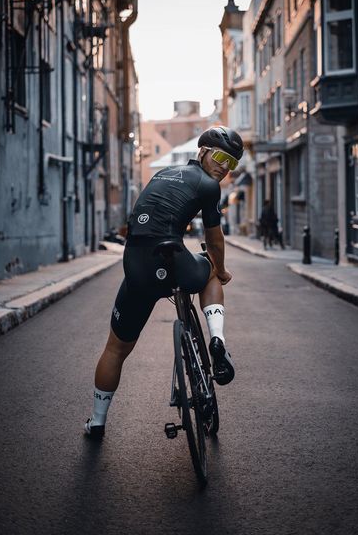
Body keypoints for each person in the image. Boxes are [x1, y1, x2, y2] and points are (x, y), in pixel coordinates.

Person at [85, 126, 244, 439]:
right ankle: (217, 340)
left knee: (115, 349)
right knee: (210, 268)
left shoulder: (160, 175)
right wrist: (221, 270)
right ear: (203, 151)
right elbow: (214, 238)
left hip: (136, 264)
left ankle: (96, 422)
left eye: (232, 163)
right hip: (172, 260)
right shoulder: (209, 186)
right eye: (221, 157)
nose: (225, 166)